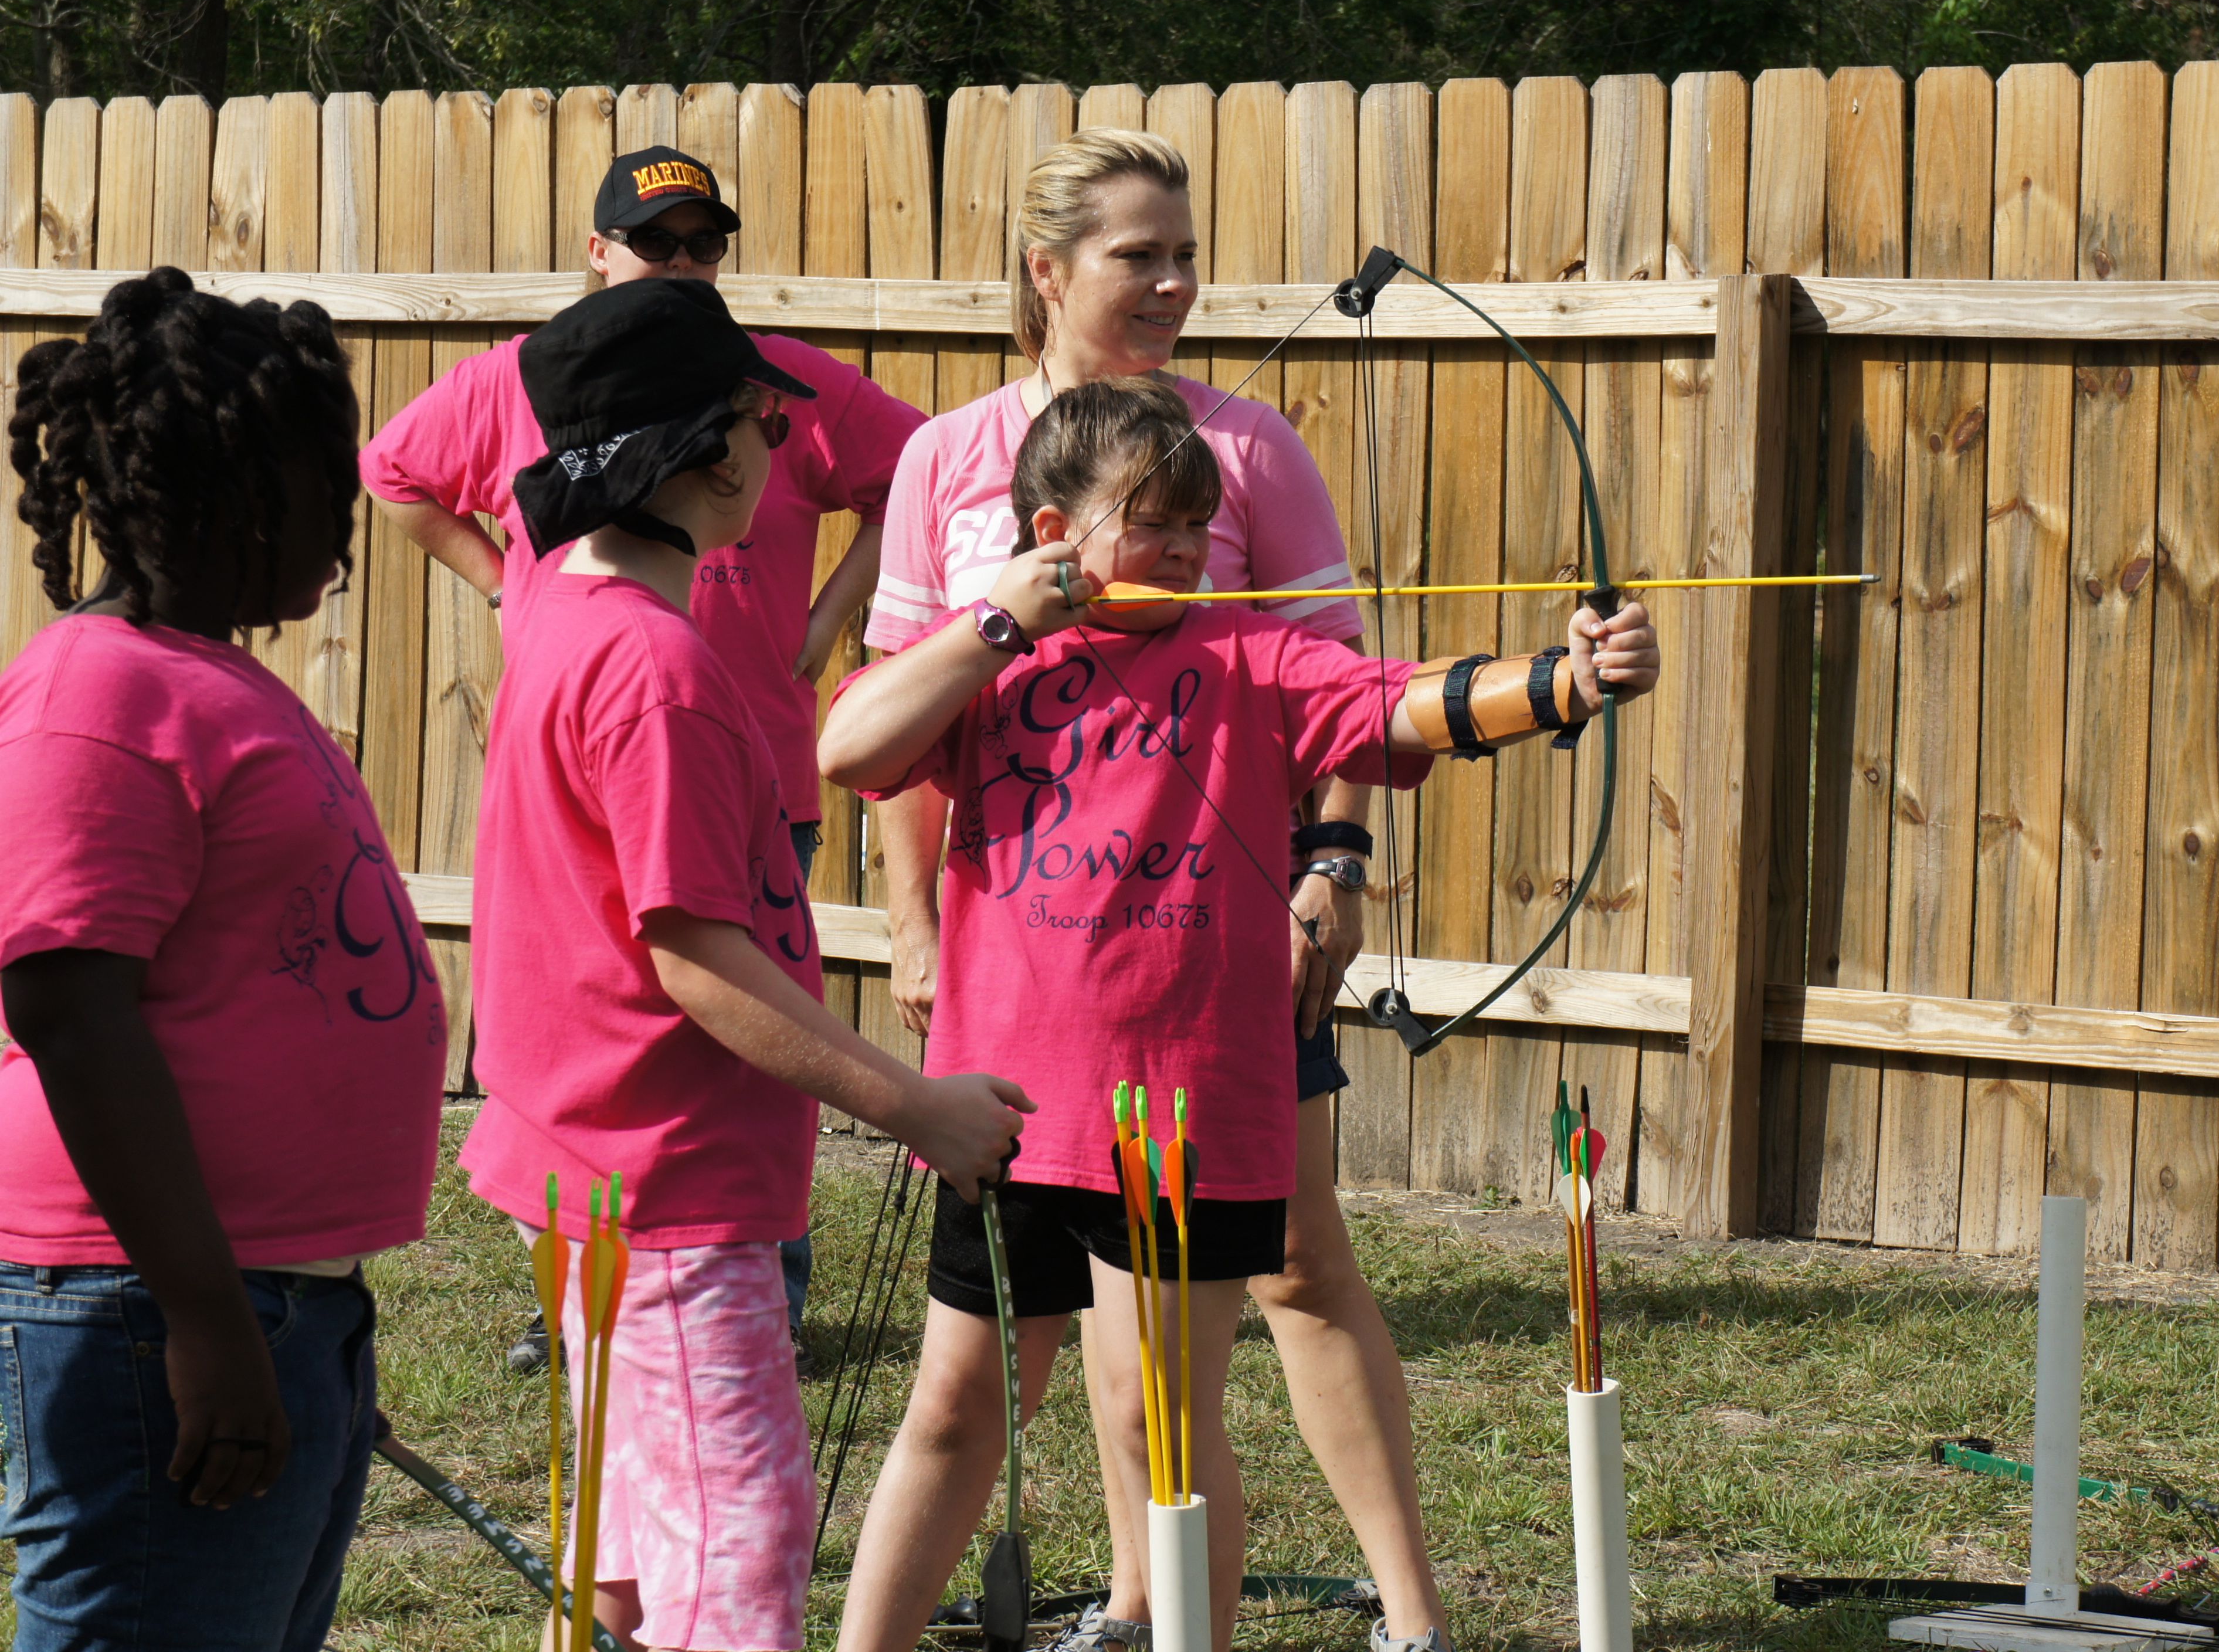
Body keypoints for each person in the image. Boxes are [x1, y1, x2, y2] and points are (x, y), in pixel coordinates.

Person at [825, 377, 1661, 1652]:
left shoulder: (1250, 656)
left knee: (1158, 1421)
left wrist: (1562, 681)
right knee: (952, 1408)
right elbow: (850, 750)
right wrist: (994, 621)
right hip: (1002, 1104)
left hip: (1184, 1108)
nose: (1182, 552)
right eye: (1148, 524)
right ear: (1050, 531)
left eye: (1195, 528)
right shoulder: (985, 662)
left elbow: (1401, 701)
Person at [861, 128, 1453, 1652]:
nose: (1175, 283)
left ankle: (1409, 1617)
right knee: (1037, 1339)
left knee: (1294, 1262)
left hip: (1218, 954)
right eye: (1140, 255)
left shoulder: (1247, 450)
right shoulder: (948, 458)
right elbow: (899, 723)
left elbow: (1339, 687)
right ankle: (1143, 1605)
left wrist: (1335, 865)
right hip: (1025, 965)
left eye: (1187, 253)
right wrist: (915, 929)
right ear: (1047, 270)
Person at [457, 277, 1029, 1651]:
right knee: (739, 1538)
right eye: (770, 424)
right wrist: (915, 1102)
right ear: (715, 457)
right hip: (666, 1185)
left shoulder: (558, 614)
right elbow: (698, 958)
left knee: (638, 1538)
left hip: (583, 1165)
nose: (780, 451)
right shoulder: (658, 671)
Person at [362, 144, 919, 1368]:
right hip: (596, 752)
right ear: (597, 253)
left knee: (729, 1034)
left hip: (752, 760)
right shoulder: (531, 382)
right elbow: (392, 471)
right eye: (653, 242)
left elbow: (917, 471)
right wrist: (501, 585)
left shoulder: (756, 376)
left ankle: (753, 1285)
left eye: (701, 244)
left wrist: (830, 620)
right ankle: (603, 1289)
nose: (679, 261)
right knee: (618, 1020)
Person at [0, 269, 447, 1651]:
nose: (345, 514)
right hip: (149, 1301)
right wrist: (206, 1322)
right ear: (229, 485)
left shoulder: (213, 680)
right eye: (322, 477)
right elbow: (69, 1008)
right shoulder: (99, 692)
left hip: (266, 1299)